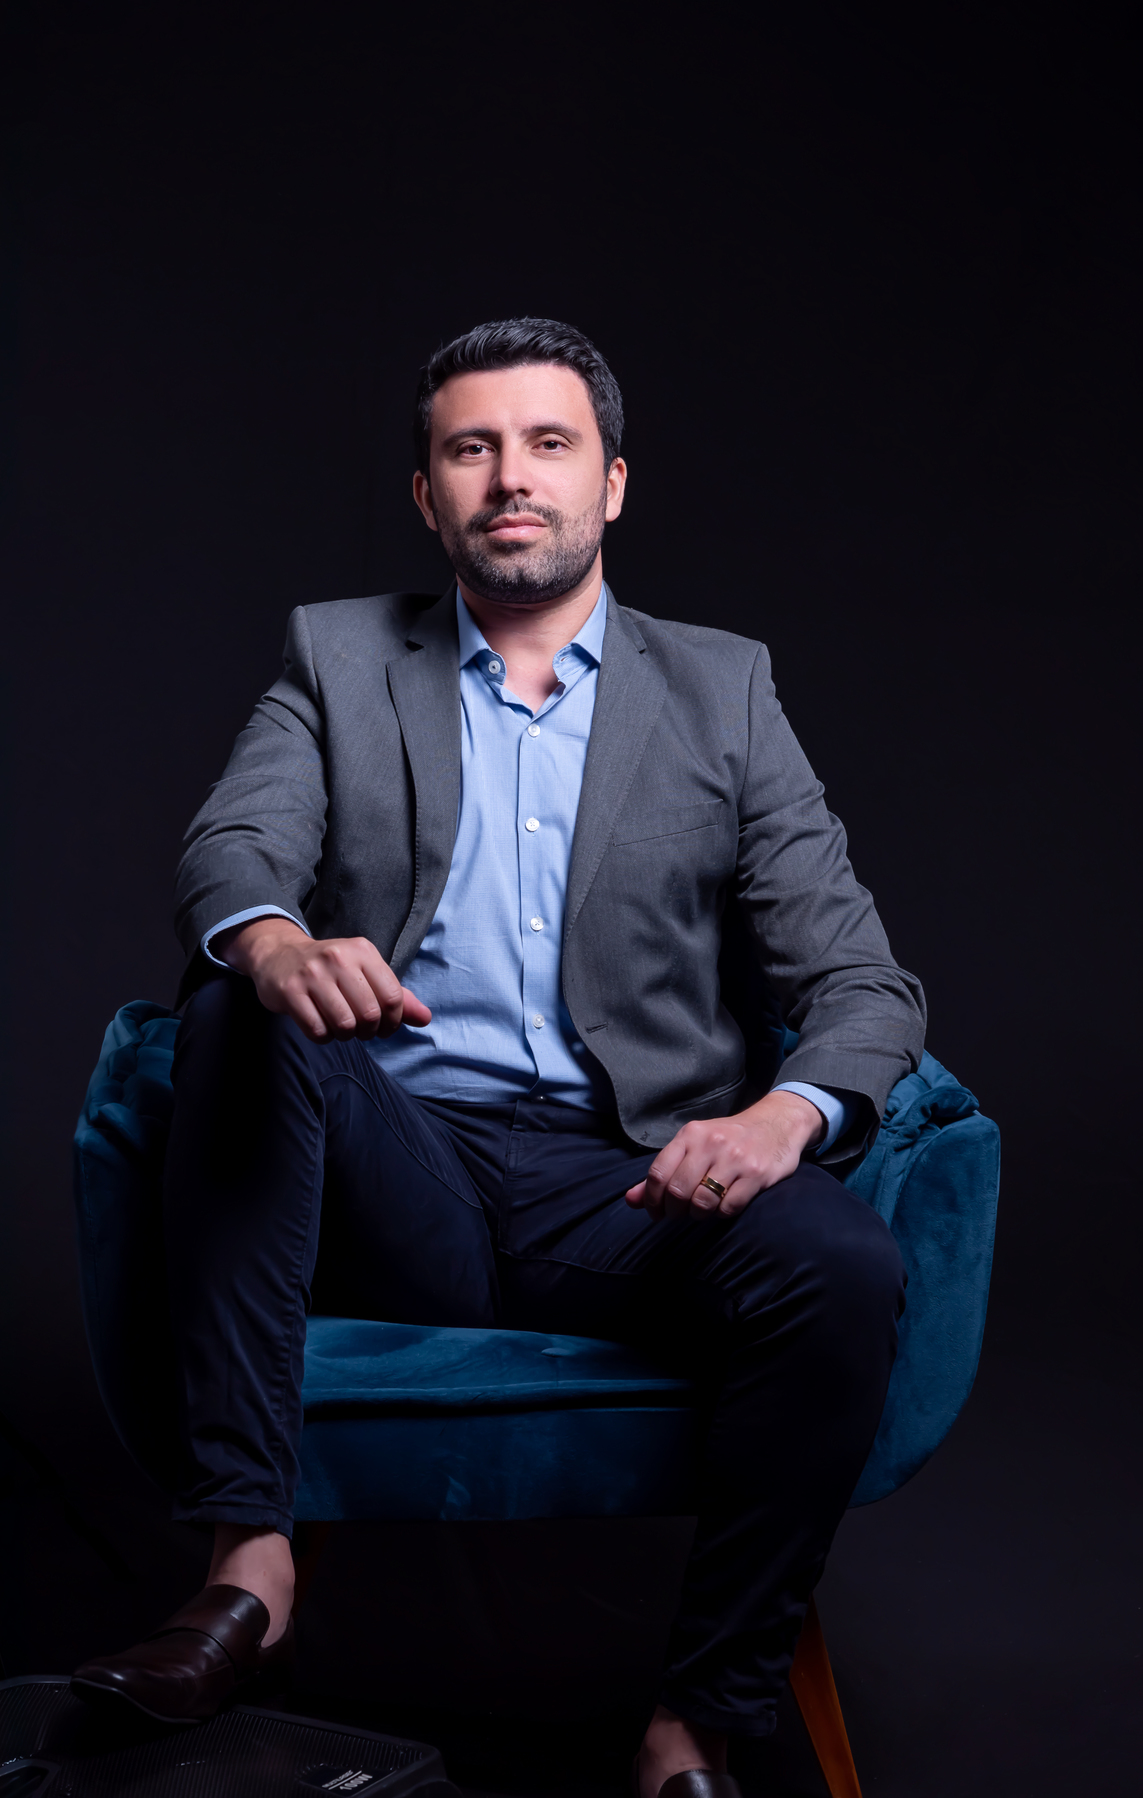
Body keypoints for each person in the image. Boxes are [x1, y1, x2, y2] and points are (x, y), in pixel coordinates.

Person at [72, 317, 924, 1798]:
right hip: (400, 1174)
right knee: (235, 1005)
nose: (510, 477)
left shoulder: (722, 689)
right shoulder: (340, 656)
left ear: (612, 483)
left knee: (844, 1265)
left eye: (548, 444)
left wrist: (781, 1115)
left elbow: (861, 980)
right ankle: (248, 1567)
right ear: (428, 494)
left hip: (630, 1191)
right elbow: (235, 846)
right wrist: (275, 943)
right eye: (472, 448)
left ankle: (698, 1721)